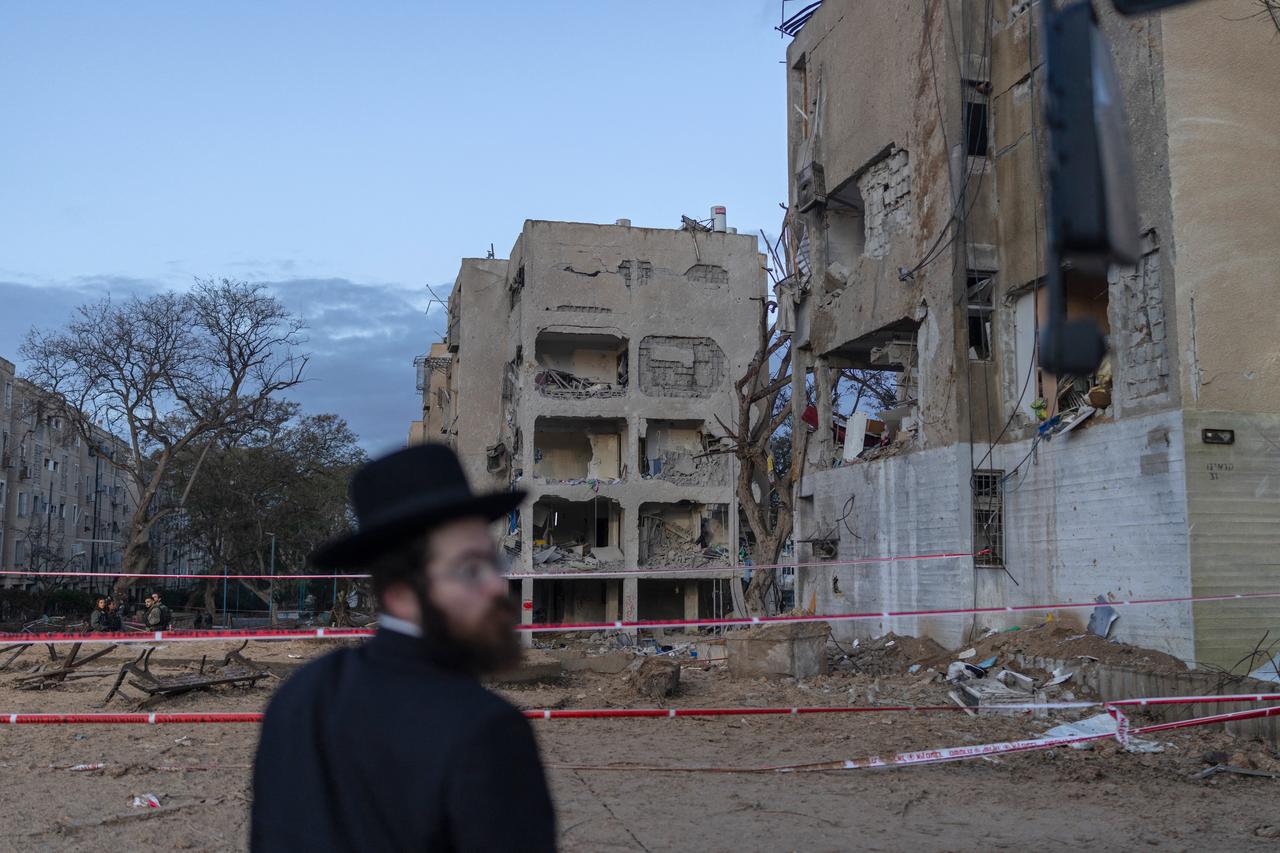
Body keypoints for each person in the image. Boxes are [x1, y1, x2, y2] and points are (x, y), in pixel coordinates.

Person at [251, 443, 555, 852]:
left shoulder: (298, 695)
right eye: (470, 569)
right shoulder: (487, 730)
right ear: (399, 593)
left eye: (493, 563)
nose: (496, 586)